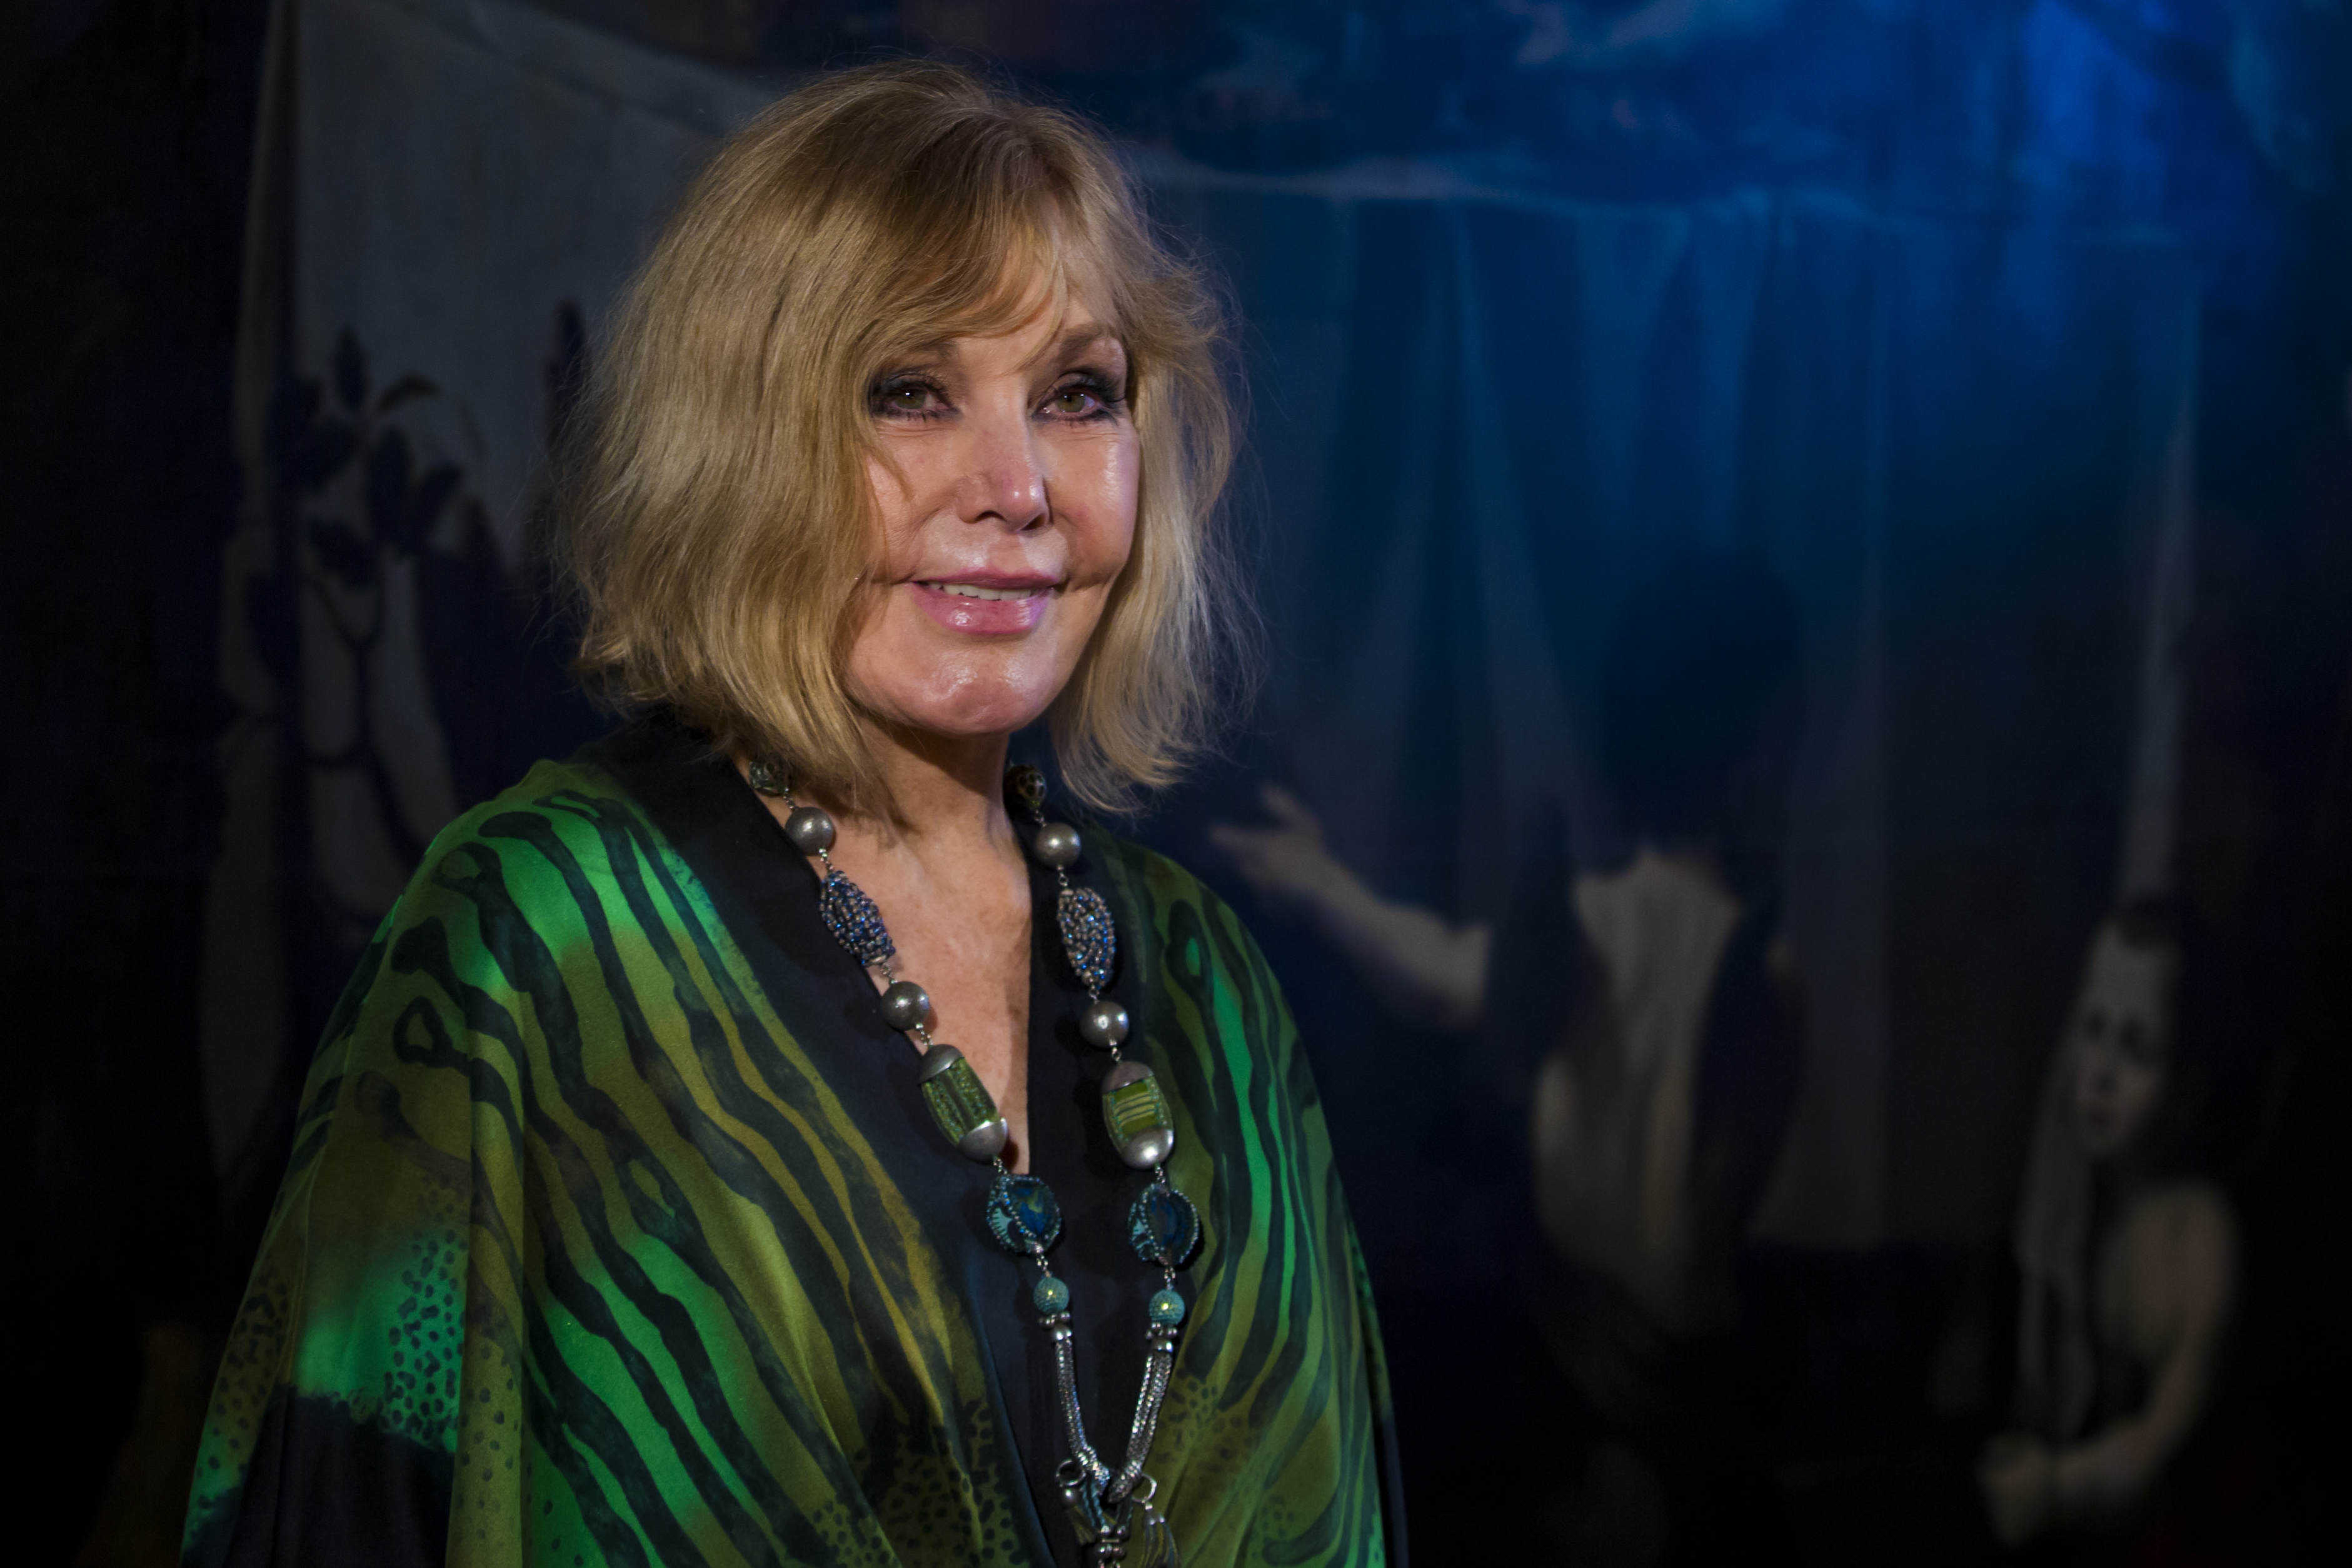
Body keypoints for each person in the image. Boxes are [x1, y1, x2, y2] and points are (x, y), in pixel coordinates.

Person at [183, 63, 1400, 1568]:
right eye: (910, 390)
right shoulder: (538, 936)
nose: (1018, 486)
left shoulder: (1209, 986)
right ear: (738, 438)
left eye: (1077, 395)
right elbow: (337, 1509)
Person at [1212, 548, 1804, 1562]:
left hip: (1605, 1398)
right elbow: (1700, 1228)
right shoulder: (1758, 967)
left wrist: (1319, 884)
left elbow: (1440, 976)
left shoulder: (1601, 930)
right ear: (1752, 757)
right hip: (1658, 1398)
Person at [1982, 898, 2236, 1548]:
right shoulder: (2080, 1204)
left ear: (2186, 1092)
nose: (2098, 1074)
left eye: (2136, 1048)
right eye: (2093, 1029)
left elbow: (2158, 1448)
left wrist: (2057, 1487)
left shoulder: (2202, 1239)